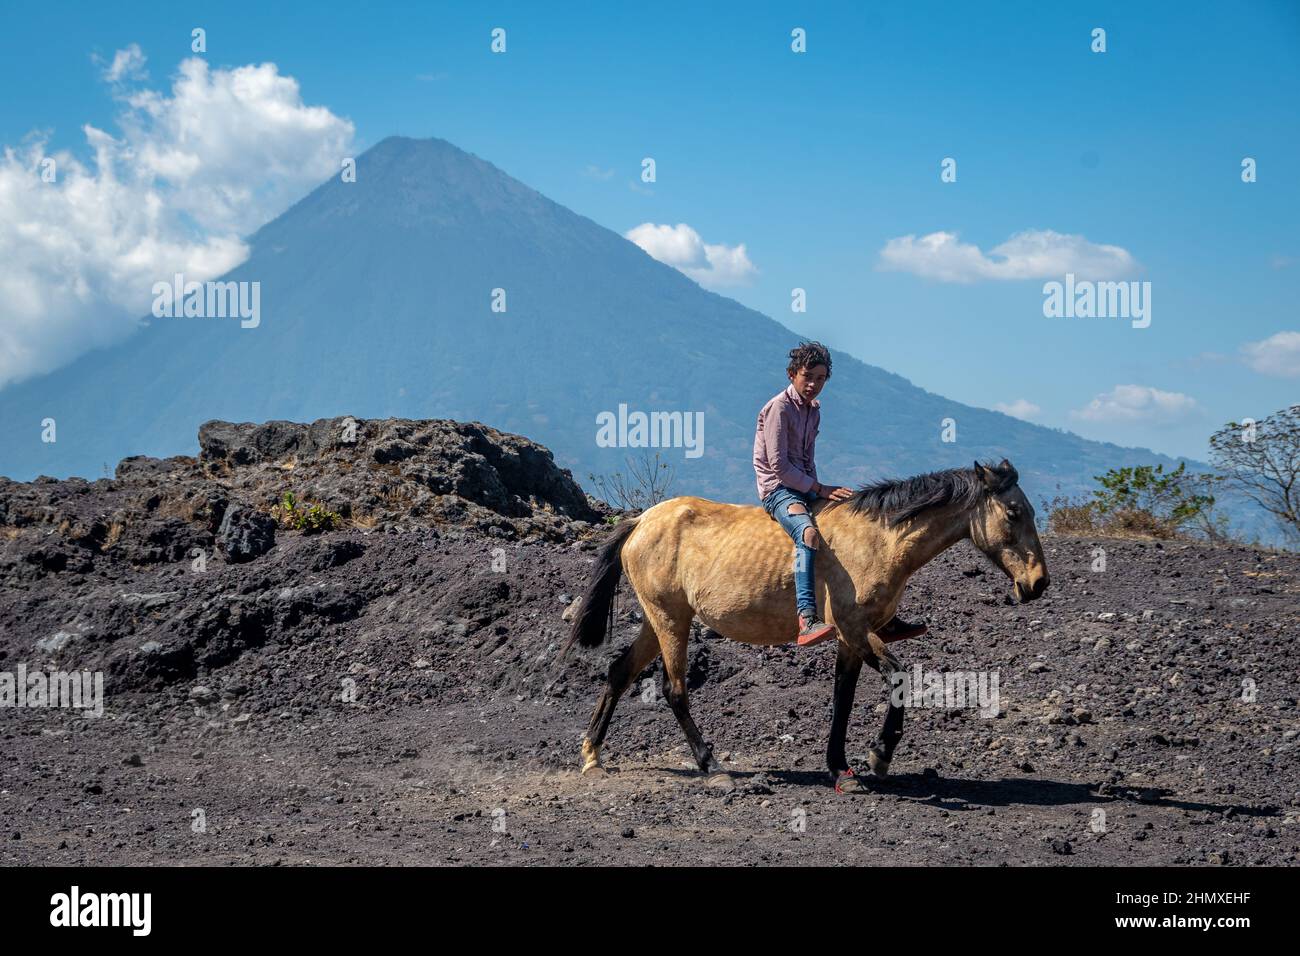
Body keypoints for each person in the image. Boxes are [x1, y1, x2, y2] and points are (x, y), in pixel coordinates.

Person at [753, 341, 928, 647]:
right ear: (792, 374)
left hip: (805, 487)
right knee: (807, 534)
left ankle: (879, 617)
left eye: (820, 379)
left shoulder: (813, 411)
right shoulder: (778, 408)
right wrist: (818, 489)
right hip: (779, 490)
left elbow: (807, 459)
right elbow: (780, 466)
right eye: (808, 376)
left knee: (856, 521)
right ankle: (806, 618)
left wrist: (822, 494)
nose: (813, 385)